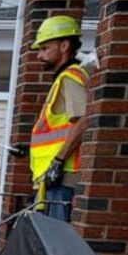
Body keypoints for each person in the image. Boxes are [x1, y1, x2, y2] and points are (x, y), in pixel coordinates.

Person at [9, 15, 89, 221]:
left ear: (64, 46)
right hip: (54, 176)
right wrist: (31, 149)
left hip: (63, 177)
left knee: (55, 235)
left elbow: (82, 121)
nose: (39, 55)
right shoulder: (63, 78)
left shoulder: (70, 77)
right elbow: (59, 131)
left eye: (45, 49)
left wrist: (58, 161)